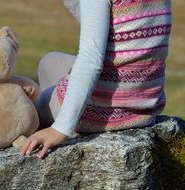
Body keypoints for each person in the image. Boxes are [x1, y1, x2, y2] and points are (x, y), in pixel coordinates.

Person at [20, 0, 172, 159]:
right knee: (49, 63)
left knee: (29, 113)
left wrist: (60, 129)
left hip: (107, 110)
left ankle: (65, 123)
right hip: (144, 104)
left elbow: (90, 61)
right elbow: (111, 27)